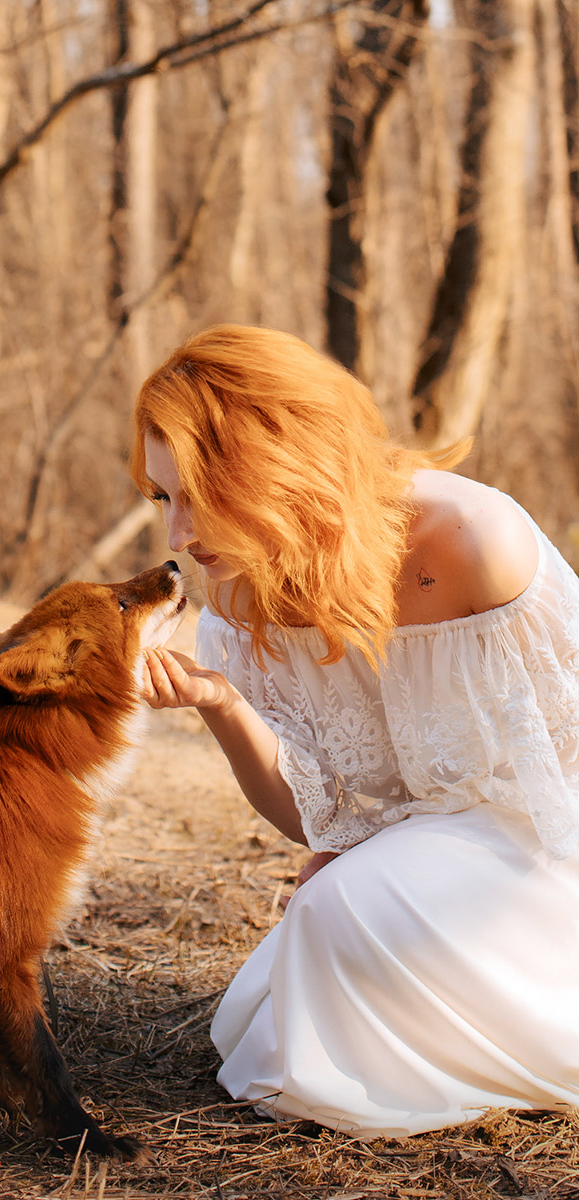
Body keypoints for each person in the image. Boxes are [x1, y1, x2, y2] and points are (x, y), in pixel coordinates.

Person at [130, 323, 579, 1137]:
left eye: (198, 494)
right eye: (164, 498)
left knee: (336, 919)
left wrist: (377, 860)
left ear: (279, 468)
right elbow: (311, 818)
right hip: (417, 862)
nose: (179, 538)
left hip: (548, 856)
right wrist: (222, 706)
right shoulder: (238, 597)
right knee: (267, 1013)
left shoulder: (477, 541)